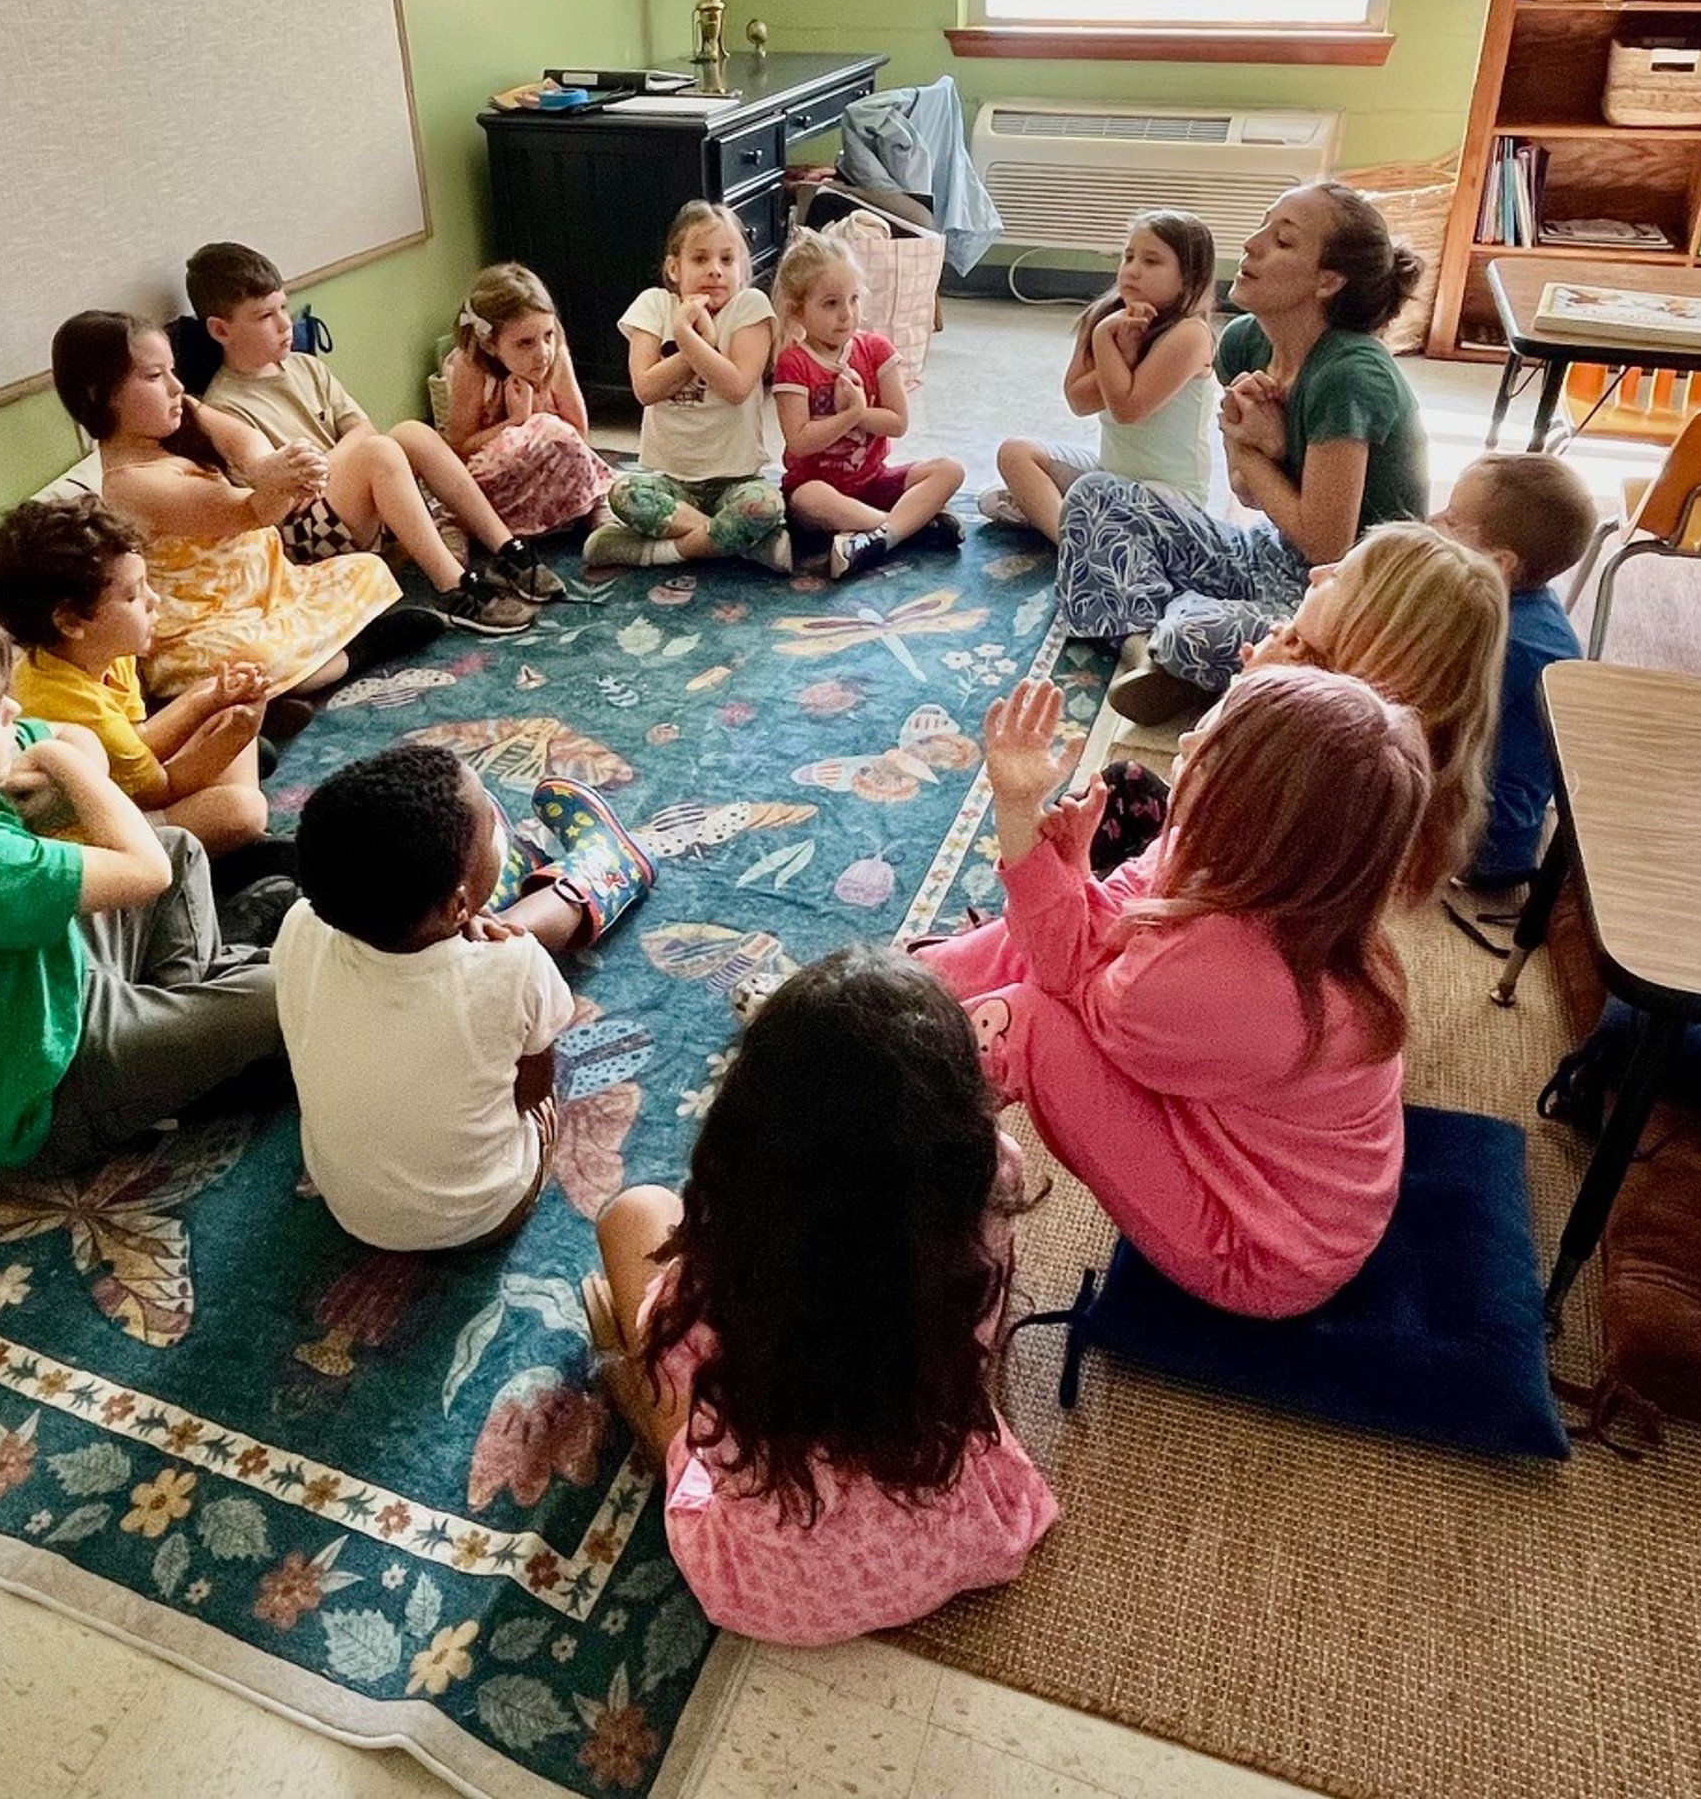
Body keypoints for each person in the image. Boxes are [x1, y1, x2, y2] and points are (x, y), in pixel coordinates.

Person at [920, 670, 1431, 1318]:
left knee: (1025, 1021)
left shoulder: (1237, 974)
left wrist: (1020, 816)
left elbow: (1066, 970)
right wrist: (1072, 875)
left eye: (1211, 741)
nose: (1187, 737)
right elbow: (1102, 922)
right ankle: (899, 1001)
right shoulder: (1272, 884)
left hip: (1260, 1254)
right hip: (1263, 1162)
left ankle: (887, 1104)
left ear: (1248, 810)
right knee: (1038, 927)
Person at [582, 950, 1058, 1643]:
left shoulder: (714, 1292)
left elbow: (690, 1368)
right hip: (966, 1535)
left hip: (775, 1592)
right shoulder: (988, 1185)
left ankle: (657, 1446)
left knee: (632, 1214)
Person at [0, 604, 284, 1173]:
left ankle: (188, 1048)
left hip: (61, 987)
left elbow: (76, 734)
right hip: (46, 1098)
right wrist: (61, 765)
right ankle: (198, 1049)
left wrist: (63, 754)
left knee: (181, 844)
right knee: (280, 989)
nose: (14, 710)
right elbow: (143, 869)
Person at [1061, 182, 1431, 724]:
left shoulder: (1351, 373)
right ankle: (1146, 648)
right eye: (1263, 225)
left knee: (1195, 631)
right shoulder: (1244, 341)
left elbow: (1328, 545)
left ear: (1328, 281)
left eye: (1282, 241)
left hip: (1344, 599)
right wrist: (1252, 447)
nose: (1253, 244)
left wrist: (1256, 450)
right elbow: (1244, 493)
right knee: (1095, 496)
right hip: (1269, 551)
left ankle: (1174, 644)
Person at [276, 746, 654, 1252]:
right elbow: (533, 1092)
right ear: (456, 903)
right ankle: (603, 869)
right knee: (509, 938)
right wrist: (502, 959)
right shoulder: (513, 966)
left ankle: (489, 873)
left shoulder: (301, 922)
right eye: (490, 831)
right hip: (484, 1213)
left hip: (352, 1209)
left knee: (461, 934)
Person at [187, 241, 548, 634]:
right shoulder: (224, 408)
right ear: (221, 330)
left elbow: (362, 429)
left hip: (348, 498)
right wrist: (349, 463)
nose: (284, 325)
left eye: (283, 309)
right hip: (303, 536)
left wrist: (345, 463)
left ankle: (507, 548)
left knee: (410, 432)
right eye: (263, 317)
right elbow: (277, 503)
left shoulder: (306, 367)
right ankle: (454, 587)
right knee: (377, 453)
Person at [51, 311, 410, 700]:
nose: (175, 387)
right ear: (97, 393)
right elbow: (249, 513)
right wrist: (278, 484)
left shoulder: (183, 411)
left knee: (368, 570)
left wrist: (266, 466)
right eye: (155, 377)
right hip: (202, 626)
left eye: (172, 371)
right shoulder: (131, 484)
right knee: (257, 656)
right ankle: (343, 661)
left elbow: (244, 440)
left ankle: (305, 672)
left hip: (272, 588)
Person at [0, 496, 273, 862]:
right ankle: (232, 855)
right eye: (132, 595)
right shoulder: (71, 705)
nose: (154, 601)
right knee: (242, 808)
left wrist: (210, 700)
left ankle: (232, 836)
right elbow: (158, 790)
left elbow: (137, 739)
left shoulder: (103, 655)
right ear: (70, 621)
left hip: (122, 787)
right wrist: (233, 736)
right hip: (88, 836)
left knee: (223, 709)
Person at [1232, 523, 1507, 904]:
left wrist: (1248, 699)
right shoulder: (1391, 752)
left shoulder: (1332, 760)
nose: (1316, 572)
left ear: (1373, 633)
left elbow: (1206, 826)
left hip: (1228, 897)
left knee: (1124, 785)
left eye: (1338, 576)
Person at [982, 212, 1217, 539]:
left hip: (1169, 498)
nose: (1133, 270)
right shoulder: (1107, 314)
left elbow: (1127, 410)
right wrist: (1117, 347)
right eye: (1129, 257)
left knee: (1083, 496)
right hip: (1110, 479)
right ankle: (1068, 541)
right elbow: (1078, 401)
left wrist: (1105, 341)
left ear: (1188, 278)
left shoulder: (1190, 334)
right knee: (1014, 456)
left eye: (1152, 262)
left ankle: (1085, 534)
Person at [586, 201, 790, 572]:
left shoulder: (750, 306)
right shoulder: (653, 306)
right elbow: (646, 389)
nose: (715, 270)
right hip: (670, 483)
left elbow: (737, 387)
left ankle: (649, 552)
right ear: (674, 268)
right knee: (624, 494)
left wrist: (688, 338)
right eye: (700, 259)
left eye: (727, 260)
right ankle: (744, 544)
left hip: (736, 480)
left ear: (742, 268)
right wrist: (691, 338)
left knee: (765, 506)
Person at [1434, 452, 1597, 890]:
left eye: (1451, 520)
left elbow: (1420, 720)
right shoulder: (1523, 606)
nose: (1432, 522)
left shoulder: (1505, 643)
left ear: (1501, 562)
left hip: (1481, 840)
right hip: (1495, 817)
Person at [770, 228, 966, 580]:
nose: (846, 314)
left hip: (875, 481)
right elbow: (799, 441)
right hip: (819, 490)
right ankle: (908, 528)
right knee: (807, 499)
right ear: (797, 311)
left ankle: (881, 536)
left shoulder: (875, 349)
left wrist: (859, 413)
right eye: (831, 303)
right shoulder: (794, 363)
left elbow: (898, 422)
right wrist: (851, 415)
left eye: (854, 299)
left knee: (950, 470)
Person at [442, 262, 615, 539]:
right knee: (453, 491)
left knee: (556, 433)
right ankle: (468, 528)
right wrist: (516, 423)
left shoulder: (555, 356)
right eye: (525, 343)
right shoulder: (470, 368)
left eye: (547, 336)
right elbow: (460, 448)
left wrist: (539, 426)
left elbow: (578, 433)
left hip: (551, 469)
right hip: (500, 479)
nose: (542, 353)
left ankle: (591, 506)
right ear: (490, 344)